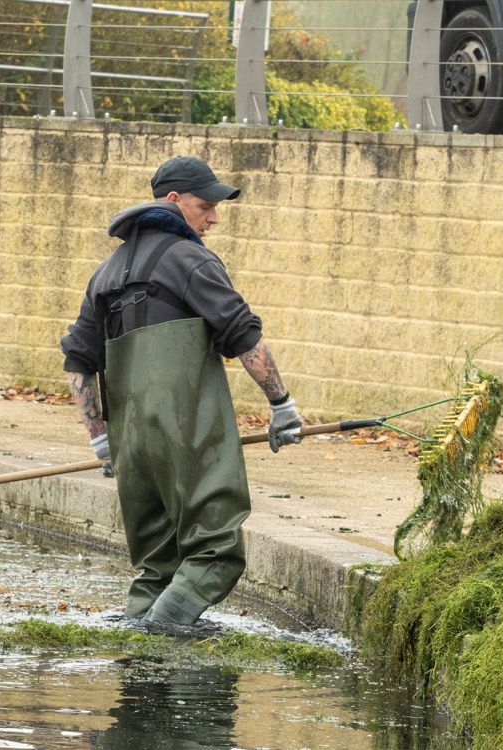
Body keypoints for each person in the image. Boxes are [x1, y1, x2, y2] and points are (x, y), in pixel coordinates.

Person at [60, 156, 303, 625]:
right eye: (205, 205)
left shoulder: (104, 273)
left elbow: (78, 363)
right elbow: (243, 334)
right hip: (186, 431)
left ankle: (137, 652)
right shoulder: (190, 260)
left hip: (131, 438)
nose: (213, 218)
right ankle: (163, 631)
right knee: (215, 551)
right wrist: (281, 405)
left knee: (158, 562)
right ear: (173, 201)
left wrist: (100, 438)